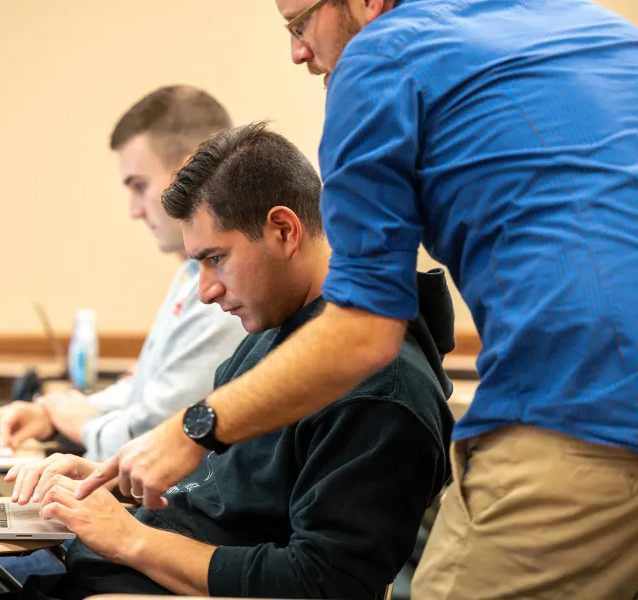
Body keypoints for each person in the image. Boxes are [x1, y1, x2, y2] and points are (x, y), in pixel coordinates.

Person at [81, 0, 638, 597]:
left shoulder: (380, 59)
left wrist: (193, 430)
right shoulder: (591, 26)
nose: (297, 51)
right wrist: (108, 482)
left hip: (587, 407)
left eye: (300, 22)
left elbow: (364, 337)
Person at [0, 122, 453, 600]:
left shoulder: (381, 389)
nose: (205, 291)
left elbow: (321, 584)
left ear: (284, 230)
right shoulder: (280, 333)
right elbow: (229, 497)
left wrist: (130, 539)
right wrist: (110, 482)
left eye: (216, 258)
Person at [0, 86, 247, 600]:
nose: (135, 209)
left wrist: (73, 417)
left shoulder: (225, 295)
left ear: (190, 170)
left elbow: (150, 437)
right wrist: (51, 411)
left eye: (139, 185)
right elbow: (143, 395)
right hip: (126, 507)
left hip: (151, 526)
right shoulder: (192, 274)